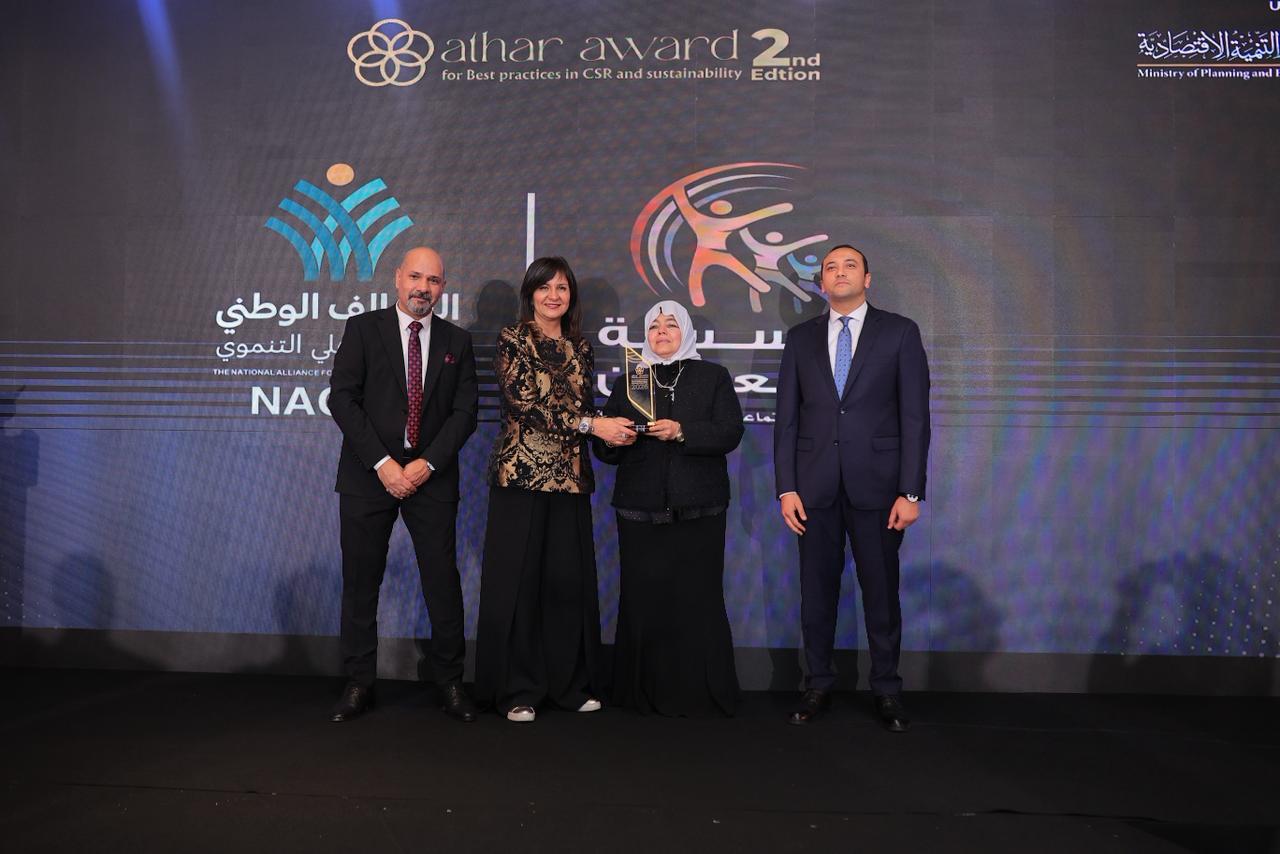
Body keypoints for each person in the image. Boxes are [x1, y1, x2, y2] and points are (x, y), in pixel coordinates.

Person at [773, 244, 930, 732]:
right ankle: (817, 683)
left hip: (879, 489)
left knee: (881, 593)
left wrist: (911, 491)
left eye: (849, 266)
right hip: (813, 489)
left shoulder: (899, 332)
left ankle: (887, 689)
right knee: (816, 594)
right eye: (830, 268)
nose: (839, 273)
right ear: (821, 282)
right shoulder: (800, 339)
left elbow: (915, 418)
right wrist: (786, 488)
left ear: (867, 278)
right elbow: (786, 420)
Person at [475, 256, 636, 722]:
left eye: (562, 288)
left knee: (567, 585)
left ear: (571, 296)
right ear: (530, 294)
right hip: (520, 477)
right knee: (520, 584)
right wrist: (593, 425)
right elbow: (525, 405)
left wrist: (615, 429)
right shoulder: (513, 338)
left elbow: (585, 406)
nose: (553, 296)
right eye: (544, 287)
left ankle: (568, 685)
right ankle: (517, 689)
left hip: (570, 478)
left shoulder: (581, 347)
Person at [327, 246, 480, 723]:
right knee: (361, 582)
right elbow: (341, 399)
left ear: (443, 287)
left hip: (431, 478)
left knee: (442, 583)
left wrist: (427, 463)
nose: (423, 288)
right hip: (369, 474)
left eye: (433, 280)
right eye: (415, 277)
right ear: (397, 278)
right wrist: (383, 463)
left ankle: (450, 681)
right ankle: (358, 682)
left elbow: (465, 413)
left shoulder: (457, 341)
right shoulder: (363, 329)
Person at [594, 301, 744, 716]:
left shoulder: (713, 377)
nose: (661, 332)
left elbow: (730, 432)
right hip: (639, 511)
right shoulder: (631, 380)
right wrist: (614, 438)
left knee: (698, 602)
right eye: (654, 326)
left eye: (671, 325)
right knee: (643, 603)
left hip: (700, 510)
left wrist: (682, 432)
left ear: (687, 332)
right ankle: (640, 695)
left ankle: (702, 695)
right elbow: (604, 450)